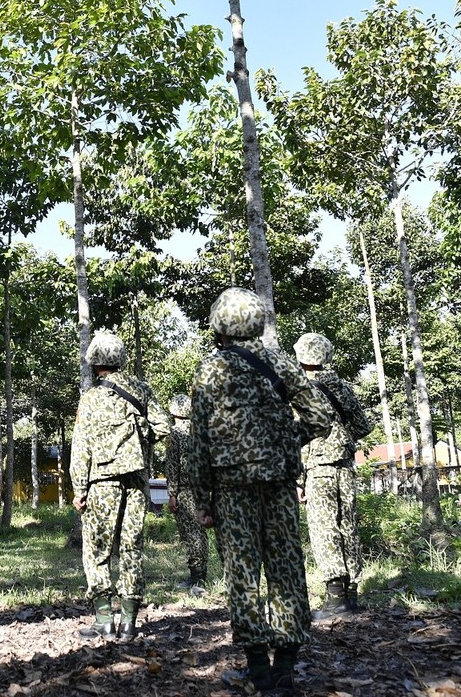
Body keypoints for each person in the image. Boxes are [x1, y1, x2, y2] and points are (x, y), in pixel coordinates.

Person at [188, 288, 332, 693]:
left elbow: (199, 443)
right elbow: (320, 418)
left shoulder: (209, 370)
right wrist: (288, 441)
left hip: (231, 488)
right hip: (280, 483)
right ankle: (286, 668)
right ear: (256, 320)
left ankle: (258, 670)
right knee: (286, 568)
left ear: (219, 324)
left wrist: (202, 500)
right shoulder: (282, 363)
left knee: (243, 575)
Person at [70, 331, 170, 642]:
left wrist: (79, 489)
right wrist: (140, 442)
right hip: (137, 481)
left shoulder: (90, 399)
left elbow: (81, 448)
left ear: (95, 363)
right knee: (131, 548)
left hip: (102, 483)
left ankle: (104, 620)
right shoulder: (142, 390)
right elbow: (163, 426)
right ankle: (129, 622)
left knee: (97, 550)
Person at [293, 332, 372, 619]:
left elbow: (298, 437)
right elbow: (363, 425)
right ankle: (351, 596)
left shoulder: (301, 390)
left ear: (301, 357)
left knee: (324, 528)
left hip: (318, 467)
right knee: (347, 525)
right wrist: (342, 440)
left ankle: (335, 600)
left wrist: (298, 481)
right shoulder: (340, 386)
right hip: (345, 465)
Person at [165, 393, 208, 593]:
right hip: (204, 487)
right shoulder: (201, 430)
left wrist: (172, 494)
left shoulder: (174, 434)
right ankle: (202, 574)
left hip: (185, 490)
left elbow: (173, 465)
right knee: (201, 533)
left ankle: (197, 577)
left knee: (191, 534)